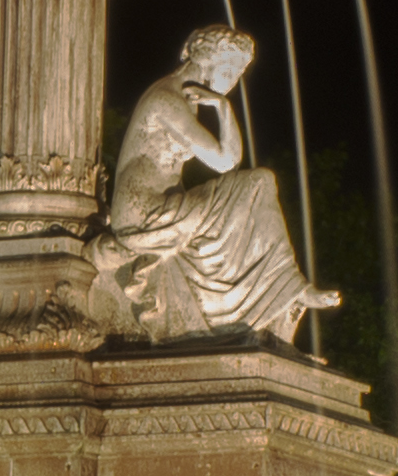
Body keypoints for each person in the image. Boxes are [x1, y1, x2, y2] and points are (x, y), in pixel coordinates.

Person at [93, 22, 333, 344]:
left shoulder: (184, 99)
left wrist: (222, 107)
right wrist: (223, 107)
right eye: (233, 69)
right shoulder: (167, 101)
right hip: (143, 213)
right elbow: (224, 162)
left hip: (164, 207)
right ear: (212, 61)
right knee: (258, 184)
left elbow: (228, 160)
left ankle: (265, 298)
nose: (235, 79)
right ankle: (290, 288)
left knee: (253, 192)